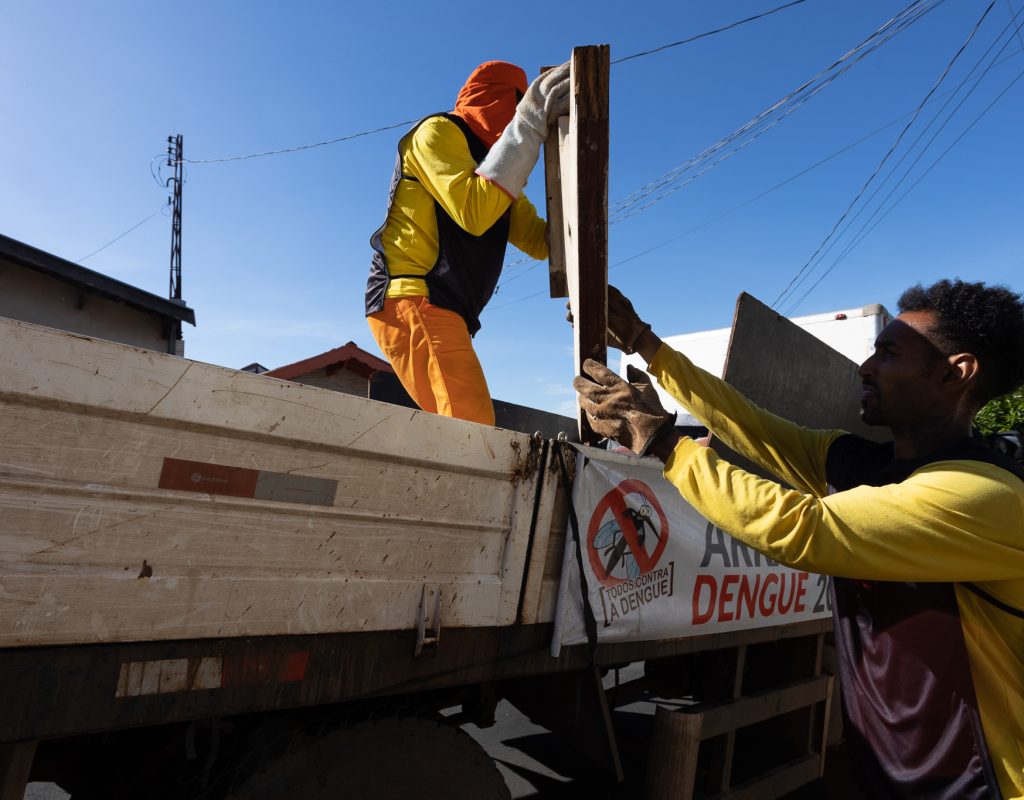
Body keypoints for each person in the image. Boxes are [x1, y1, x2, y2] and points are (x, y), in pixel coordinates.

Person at [574, 281, 1024, 799]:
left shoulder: (985, 494)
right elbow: (754, 427)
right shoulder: (867, 463)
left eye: (889, 353)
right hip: (903, 770)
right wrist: (644, 342)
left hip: (984, 783)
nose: (866, 367)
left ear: (956, 372)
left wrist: (660, 442)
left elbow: (803, 527)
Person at [365, 60, 569, 425]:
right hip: (414, 298)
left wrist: (579, 199)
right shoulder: (437, 132)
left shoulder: (496, 167)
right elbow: (474, 212)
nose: (519, 121)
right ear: (501, 100)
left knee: (457, 434)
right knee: (473, 433)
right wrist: (531, 122)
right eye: (520, 106)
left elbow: (540, 242)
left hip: (443, 307)